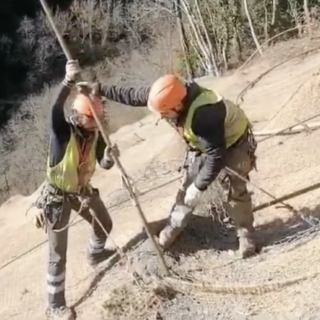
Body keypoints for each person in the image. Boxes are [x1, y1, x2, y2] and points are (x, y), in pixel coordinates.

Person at [76, 74, 258, 259]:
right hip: (205, 145)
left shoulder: (205, 115)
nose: (162, 117)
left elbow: (216, 155)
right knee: (186, 191)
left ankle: (246, 236)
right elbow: (132, 95)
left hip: (235, 142)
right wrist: (99, 89)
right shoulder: (167, 94)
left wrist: (199, 186)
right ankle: (172, 230)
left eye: (164, 114)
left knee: (235, 190)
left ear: (178, 106)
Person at [31, 60, 118, 320]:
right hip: (57, 197)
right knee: (58, 255)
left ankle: (95, 253)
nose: (97, 123)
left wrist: (110, 158)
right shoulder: (62, 133)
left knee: (104, 223)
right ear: (79, 118)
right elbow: (54, 110)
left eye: (98, 119)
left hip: (81, 190)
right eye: (93, 119)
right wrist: (67, 83)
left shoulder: (95, 134)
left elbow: (102, 161)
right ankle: (55, 304)